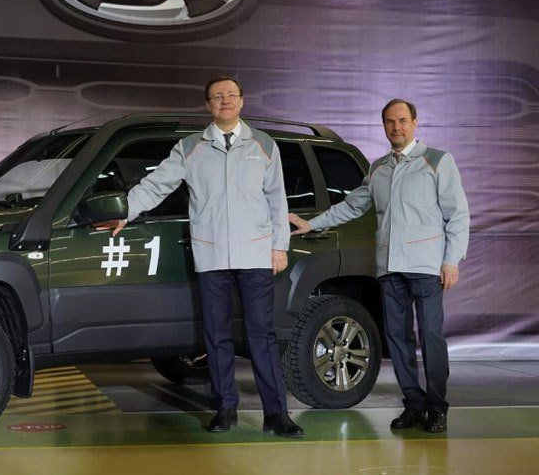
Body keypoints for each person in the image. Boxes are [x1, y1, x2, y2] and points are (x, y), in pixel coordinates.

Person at [98, 75, 303, 437]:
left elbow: (277, 199)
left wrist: (278, 247)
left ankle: (277, 414)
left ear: (242, 101)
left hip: (255, 254)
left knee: (261, 335)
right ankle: (225, 408)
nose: (225, 100)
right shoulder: (190, 147)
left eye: (231, 95)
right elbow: (156, 185)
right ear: (208, 105)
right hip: (212, 255)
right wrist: (126, 211)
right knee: (217, 336)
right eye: (217, 96)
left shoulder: (263, 144)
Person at [289, 99, 469, 433]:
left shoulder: (437, 161)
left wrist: (451, 260)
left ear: (414, 123)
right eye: (389, 122)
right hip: (389, 267)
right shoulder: (378, 168)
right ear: (384, 125)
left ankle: (437, 407)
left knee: (431, 336)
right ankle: (413, 405)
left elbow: (457, 215)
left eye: (402, 120)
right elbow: (351, 206)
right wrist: (311, 224)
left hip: (427, 266)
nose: (396, 127)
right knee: (396, 338)